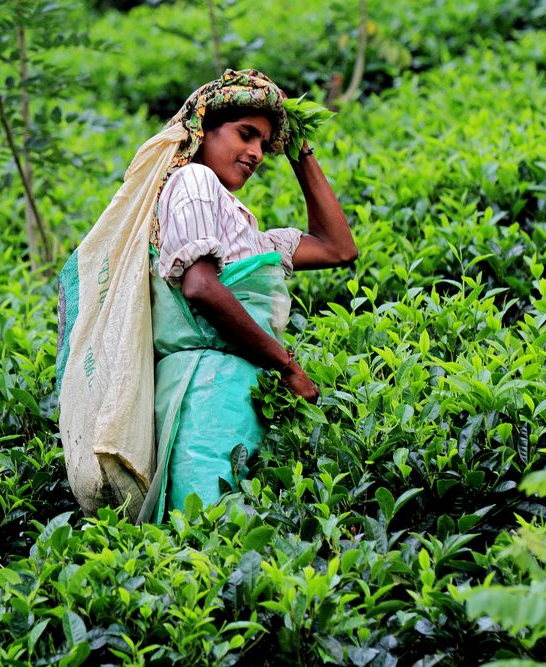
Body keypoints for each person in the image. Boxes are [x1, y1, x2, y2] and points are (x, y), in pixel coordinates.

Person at [56, 69, 356, 523]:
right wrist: (288, 365)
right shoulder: (194, 183)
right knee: (206, 526)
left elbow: (338, 248)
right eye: (245, 134)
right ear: (203, 132)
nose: (255, 153)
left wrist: (300, 151)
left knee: (230, 529)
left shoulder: (242, 227)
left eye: (265, 143)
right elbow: (199, 286)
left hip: (229, 389)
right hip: (205, 391)